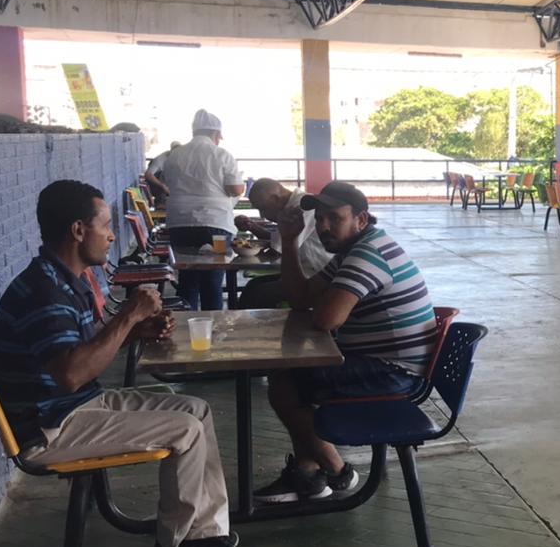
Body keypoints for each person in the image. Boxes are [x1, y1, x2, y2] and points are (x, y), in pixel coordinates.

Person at [0, 180, 256, 547]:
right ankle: (186, 543)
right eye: (106, 225)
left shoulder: (63, 278)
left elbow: (83, 351)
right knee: (185, 428)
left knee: (195, 409)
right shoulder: (44, 291)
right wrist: (128, 316)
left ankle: (202, 532)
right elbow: (71, 374)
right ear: (78, 230)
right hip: (48, 429)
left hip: (73, 406)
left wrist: (135, 330)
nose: (112, 235)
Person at [256, 182, 439, 503]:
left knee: (285, 384)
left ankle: (336, 470)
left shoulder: (368, 254)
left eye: (335, 218)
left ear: (361, 219)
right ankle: (308, 476)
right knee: (294, 375)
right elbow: (300, 299)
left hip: (393, 372)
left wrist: (323, 304)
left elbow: (327, 319)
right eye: (320, 218)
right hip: (384, 362)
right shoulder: (353, 250)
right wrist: (289, 239)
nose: (324, 226)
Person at [162, 110, 245, 310]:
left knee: (187, 279)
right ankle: (213, 325)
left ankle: (184, 324)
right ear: (216, 134)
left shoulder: (174, 155)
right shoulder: (222, 155)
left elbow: (167, 184)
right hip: (216, 225)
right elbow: (235, 189)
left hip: (180, 225)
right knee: (213, 280)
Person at [233, 177, 333, 308]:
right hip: (305, 271)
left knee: (260, 293)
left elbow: (277, 249)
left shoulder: (301, 207)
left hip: (319, 274)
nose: (262, 215)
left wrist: (252, 241)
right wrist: (251, 226)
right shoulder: (291, 205)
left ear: (275, 199)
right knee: (253, 286)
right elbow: (278, 240)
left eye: (263, 208)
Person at [143, 140, 181, 207]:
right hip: (156, 186)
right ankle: (160, 203)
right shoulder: (160, 159)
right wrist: (162, 185)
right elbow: (148, 174)